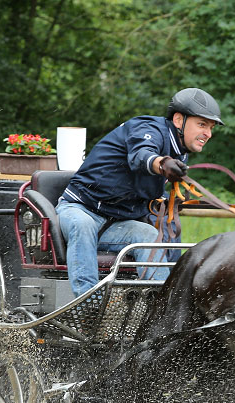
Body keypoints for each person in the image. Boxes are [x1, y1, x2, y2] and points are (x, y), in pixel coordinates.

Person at [55, 88, 224, 296]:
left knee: (149, 235)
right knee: (83, 225)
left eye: (211, 127)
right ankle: (89, 306)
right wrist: (162, 163)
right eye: (202, 124)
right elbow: (141, 155)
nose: (208, 133)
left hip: (116, 224)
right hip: (80, 209)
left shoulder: (180, 151)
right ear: (179, 120)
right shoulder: (148, 128)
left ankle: (160, 308)